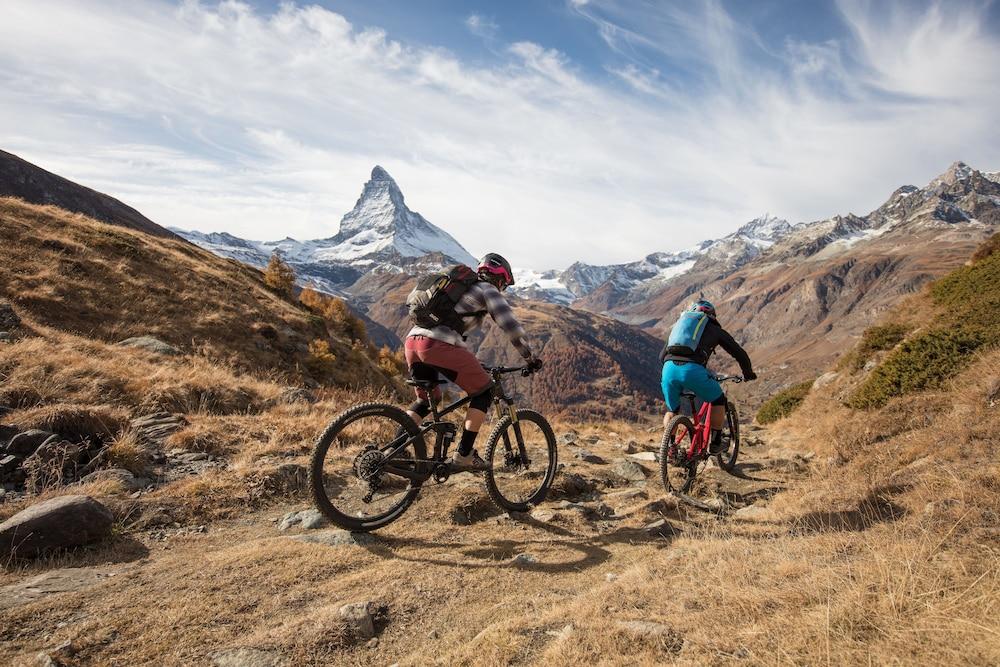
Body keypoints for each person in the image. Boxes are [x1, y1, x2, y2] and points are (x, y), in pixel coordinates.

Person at [404, 253, 542, 472]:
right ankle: (464, 455)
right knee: (483, 393)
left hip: (413, 343)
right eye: (504, 284)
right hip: (439, 346)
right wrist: (530, 358)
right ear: (500, 279)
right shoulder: (488, 290)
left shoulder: (458, 289)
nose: (502, 289)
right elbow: (511, 327)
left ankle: (395, 452)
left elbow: (450, 329)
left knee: (427, 401)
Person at [659, 299, 756, 453]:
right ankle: (716, 442)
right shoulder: (714, 329)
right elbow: (738, 353)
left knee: (672, 410)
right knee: (718, 400)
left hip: (668, 369)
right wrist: (748, 373)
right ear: (711, 315)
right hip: (692, 370)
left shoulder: (679, 327)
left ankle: (670, 448)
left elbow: (661, 356)